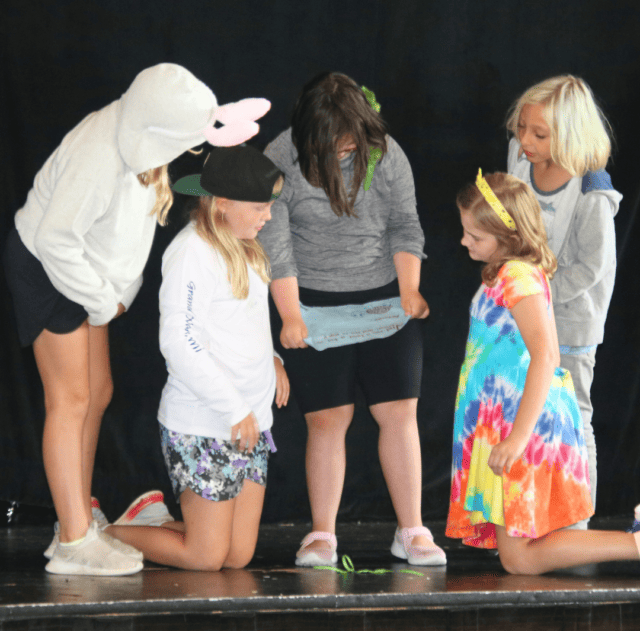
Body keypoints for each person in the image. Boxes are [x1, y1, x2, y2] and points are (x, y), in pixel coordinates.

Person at [2, 63, 271, 575]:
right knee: (71, 398)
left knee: (97, 391)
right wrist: (105, 302)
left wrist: (118, 292)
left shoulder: (145, 142)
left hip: (87, 274)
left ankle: (76, 514)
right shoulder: (97, 154)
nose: (189, 154)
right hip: (46, 264)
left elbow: (130, 233)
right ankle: (74, 540)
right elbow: (56, 241)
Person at [258, 71, 445, 567]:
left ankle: (412, 529)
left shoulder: (386, 152)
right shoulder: (282, 156)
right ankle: (321, 534)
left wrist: (410, 291)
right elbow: (274, 243)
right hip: (312, 301)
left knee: (398, 412)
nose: (347, 149)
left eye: (353, 139)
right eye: (336, 142)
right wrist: (291, 315)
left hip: (385, 299)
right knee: (328, 420)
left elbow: (406, 223)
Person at [104, 145, 290, 571]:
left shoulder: (248, 247)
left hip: (250, 426)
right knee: (206, 557)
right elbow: (179, 341)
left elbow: (245, 323)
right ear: (222, 203)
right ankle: (96, 535)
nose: (269, 216)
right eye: (260, 206)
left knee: (237, 557)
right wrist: (234, 407)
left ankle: (151, 520)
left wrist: (272, 358)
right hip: (204, 424)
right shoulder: (192, 252)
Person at [446, 170, 639, 575]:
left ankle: (634, 544)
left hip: (524, 421)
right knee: (517, 555)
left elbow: (547, 355)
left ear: (508, 235)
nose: (464, 241)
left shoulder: (518, 277)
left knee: (519, 557)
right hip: (504, 419)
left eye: (475, 236)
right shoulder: (505, 272)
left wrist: (517, 437)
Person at [505, 75, 622, 525]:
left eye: (539, 134)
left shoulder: (591, 190)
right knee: (526, 414)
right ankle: (531, 511)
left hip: (570, 328)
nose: (526, 141)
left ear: (570, 132)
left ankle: (578, 522)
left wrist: (535, 295)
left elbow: (590, 270)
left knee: (574, 419)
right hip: (522, 320)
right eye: (521, 129)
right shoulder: (521, 163)